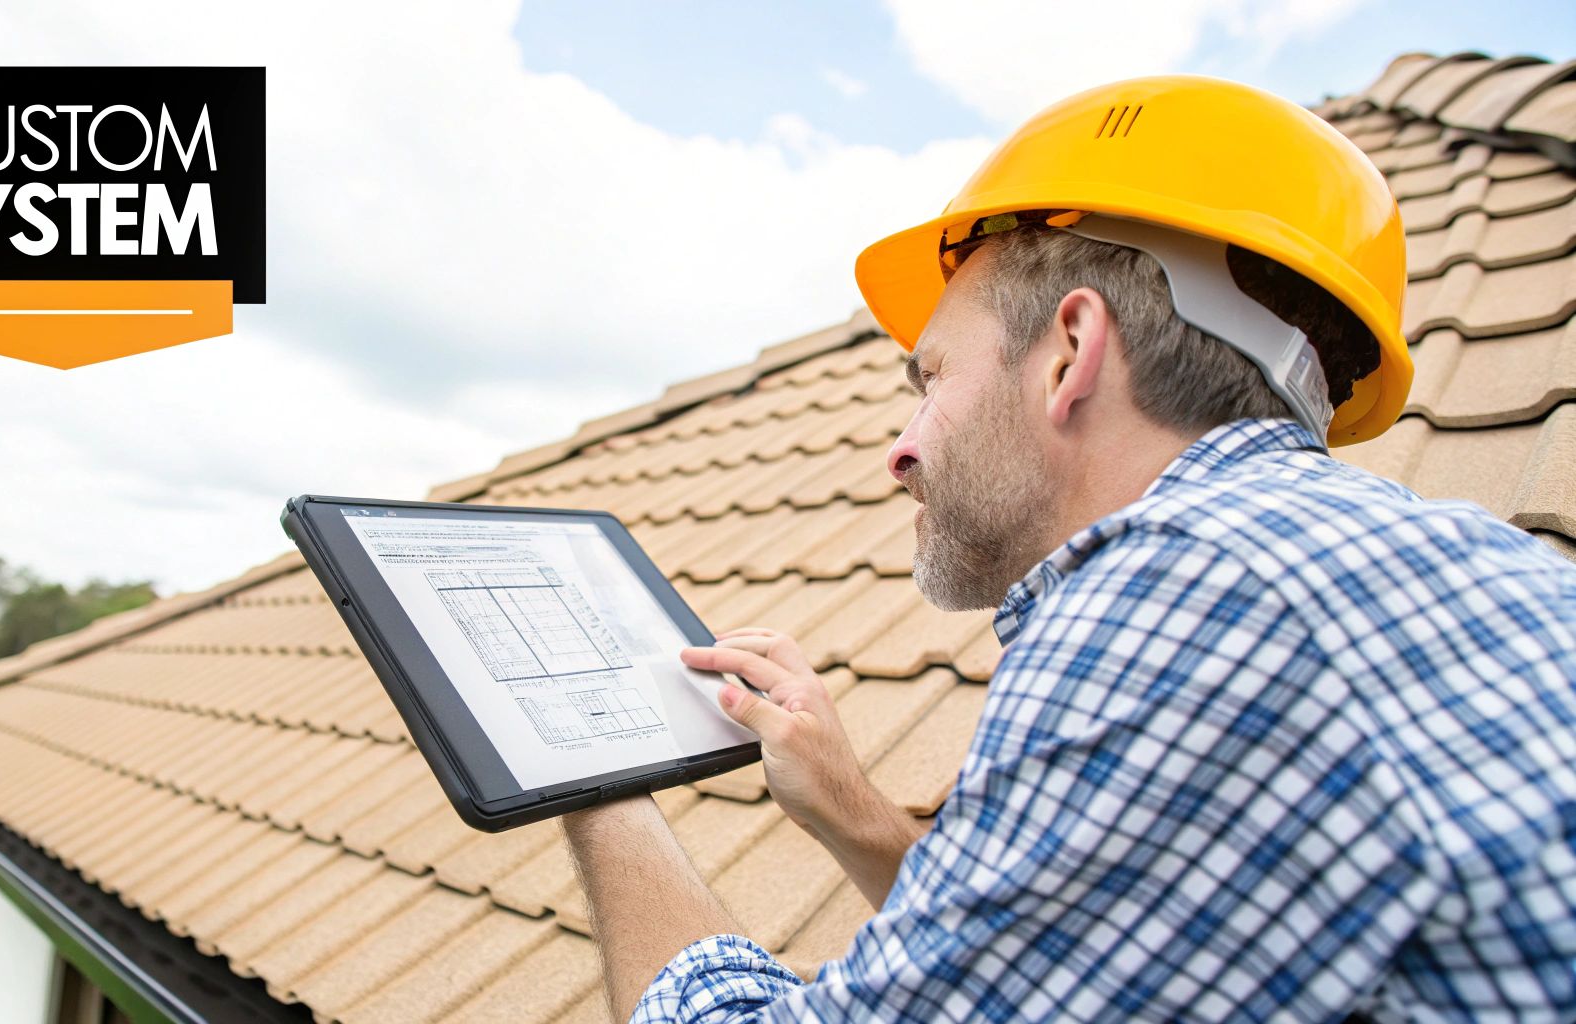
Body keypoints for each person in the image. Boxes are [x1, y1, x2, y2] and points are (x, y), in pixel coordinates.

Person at [560, 75, 1576, 1022]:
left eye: (931, 378)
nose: (898, 452)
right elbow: (1090, 960)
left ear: (1068, 352)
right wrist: (854, 814)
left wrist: (582, 769)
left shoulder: (1188, 597)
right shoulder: (1434, 556)